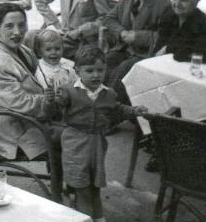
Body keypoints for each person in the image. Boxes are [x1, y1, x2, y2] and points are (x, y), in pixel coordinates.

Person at [55, 45, 147, 221]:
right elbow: (54, 108)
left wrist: (134, 110)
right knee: (82, 187)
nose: (95, 75)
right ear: (78, 71)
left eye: (100, 70)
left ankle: (95, 215)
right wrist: (54, 98)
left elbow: (117, 109)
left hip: (97, 146)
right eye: (89, 70)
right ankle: (84, 214)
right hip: (75, 145)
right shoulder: (69, 91)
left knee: (94, 186)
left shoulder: (108, 93)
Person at [0, 4, 61, 191]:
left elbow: (39, 82)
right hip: (9, 133)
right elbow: (21, 104)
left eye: (22, 25)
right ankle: (70, 190)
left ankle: (72, 185)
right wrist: (52, 102)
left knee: (80, 128)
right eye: (9, 26)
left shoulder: (22, 50)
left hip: (24, 120)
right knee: (75, 137)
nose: (17, 32)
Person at [102, 0, 171, 101]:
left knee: (122, 70)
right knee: (102, 63)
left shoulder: (163, 3)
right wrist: (121, 32)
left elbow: (165, 36)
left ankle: (109, 106)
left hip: (145, 56)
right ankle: (91, 101)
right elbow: (108, 19)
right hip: (122, 50)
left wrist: (137, 37)